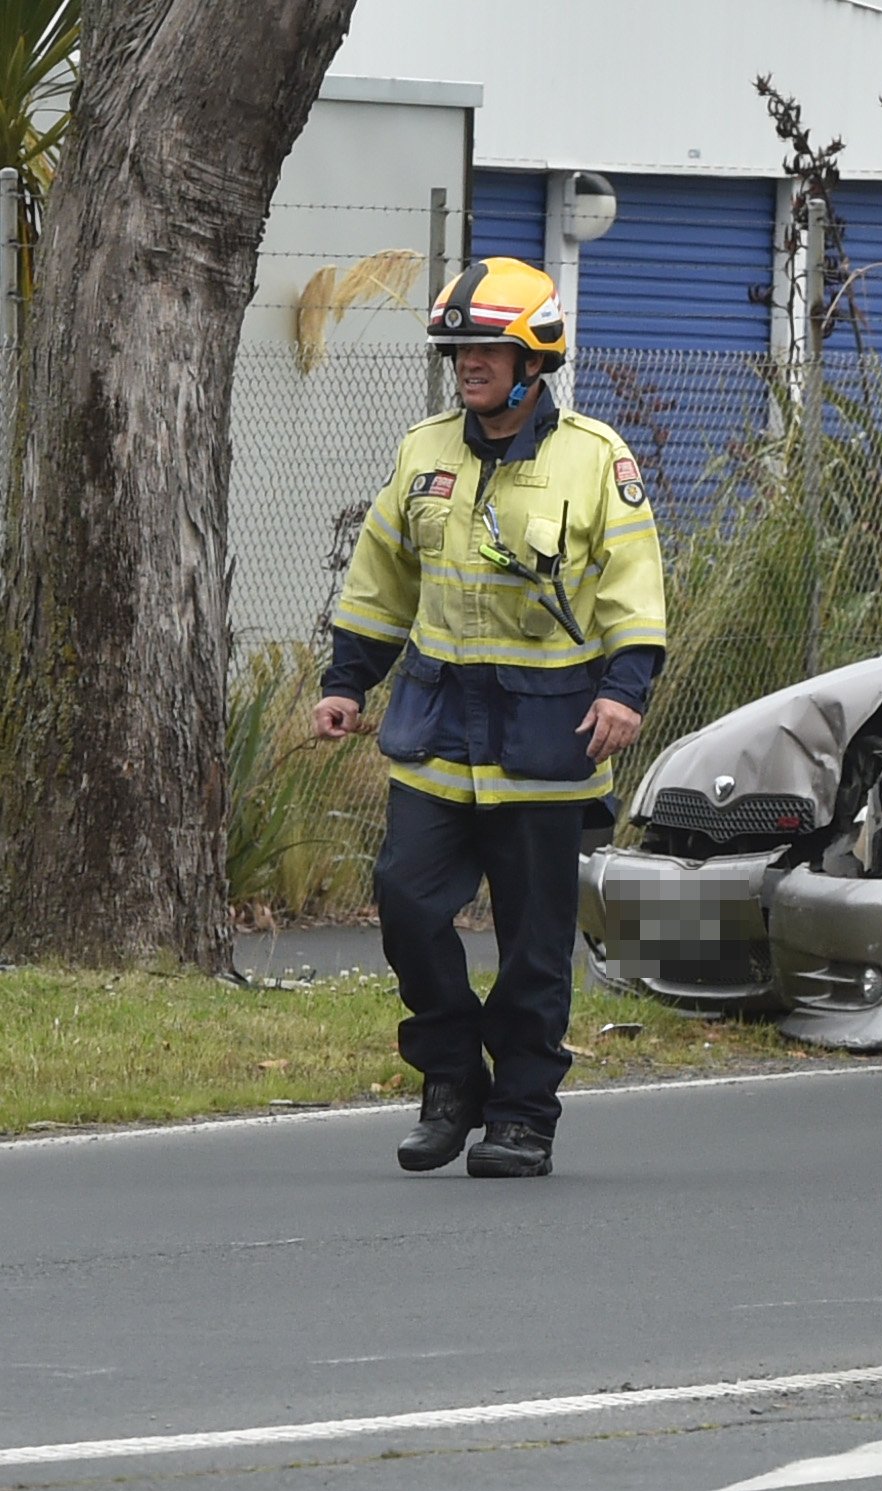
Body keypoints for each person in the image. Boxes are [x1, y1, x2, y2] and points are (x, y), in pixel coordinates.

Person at [311, 257, 666, 1178]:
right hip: (437, 736)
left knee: (533, 947)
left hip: (548, 744)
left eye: (487, 348)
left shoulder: (595, 459)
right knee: (406, 909)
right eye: (459, 347)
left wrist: (625, 693)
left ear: (533, 360)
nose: (468, 362)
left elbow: (634, 590)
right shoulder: (422, 451)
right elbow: (382, 580)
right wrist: (347, 681)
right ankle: (451, 1079)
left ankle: (521, 1114)